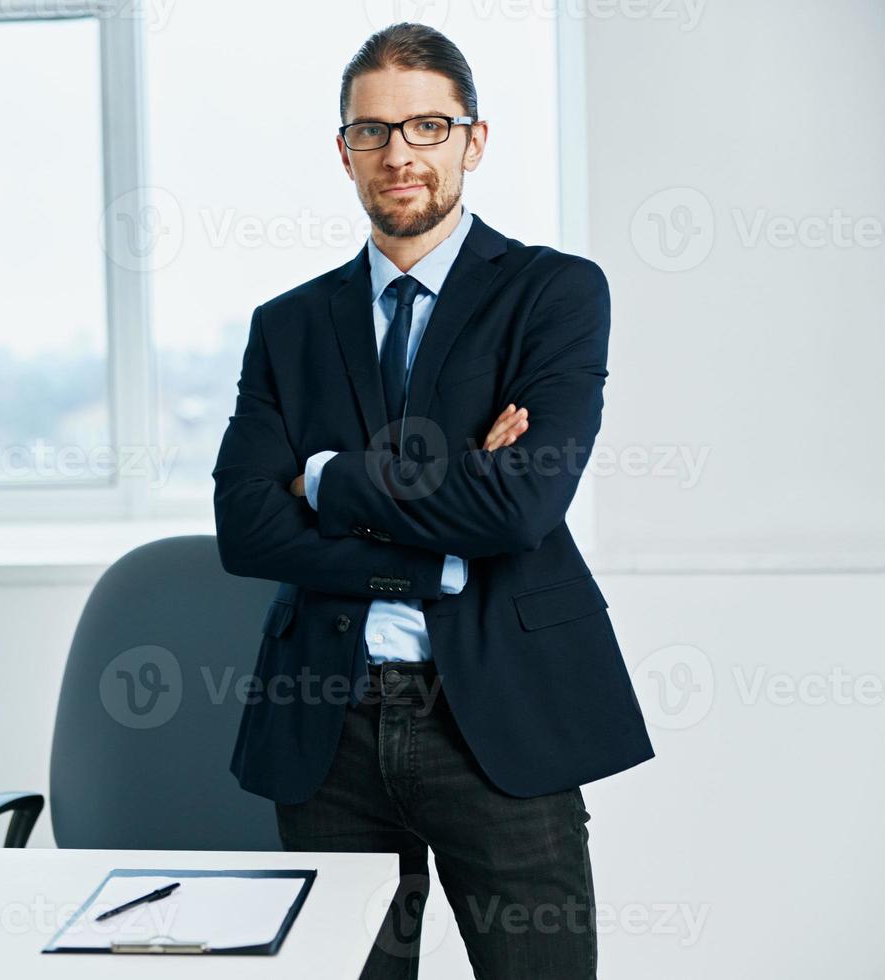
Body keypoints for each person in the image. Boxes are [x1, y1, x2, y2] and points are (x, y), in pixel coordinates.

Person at [212, 22, 655, 980]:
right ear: (345, 151)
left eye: (427, 126)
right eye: (373, 132)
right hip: (328, 727)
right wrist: (439, 527)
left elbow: (521, 509)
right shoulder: (287, 326)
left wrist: (326, 477)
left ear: (474, 140)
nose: (399, 153)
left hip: (497, 714)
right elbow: (244, 525)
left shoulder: (553, 294)